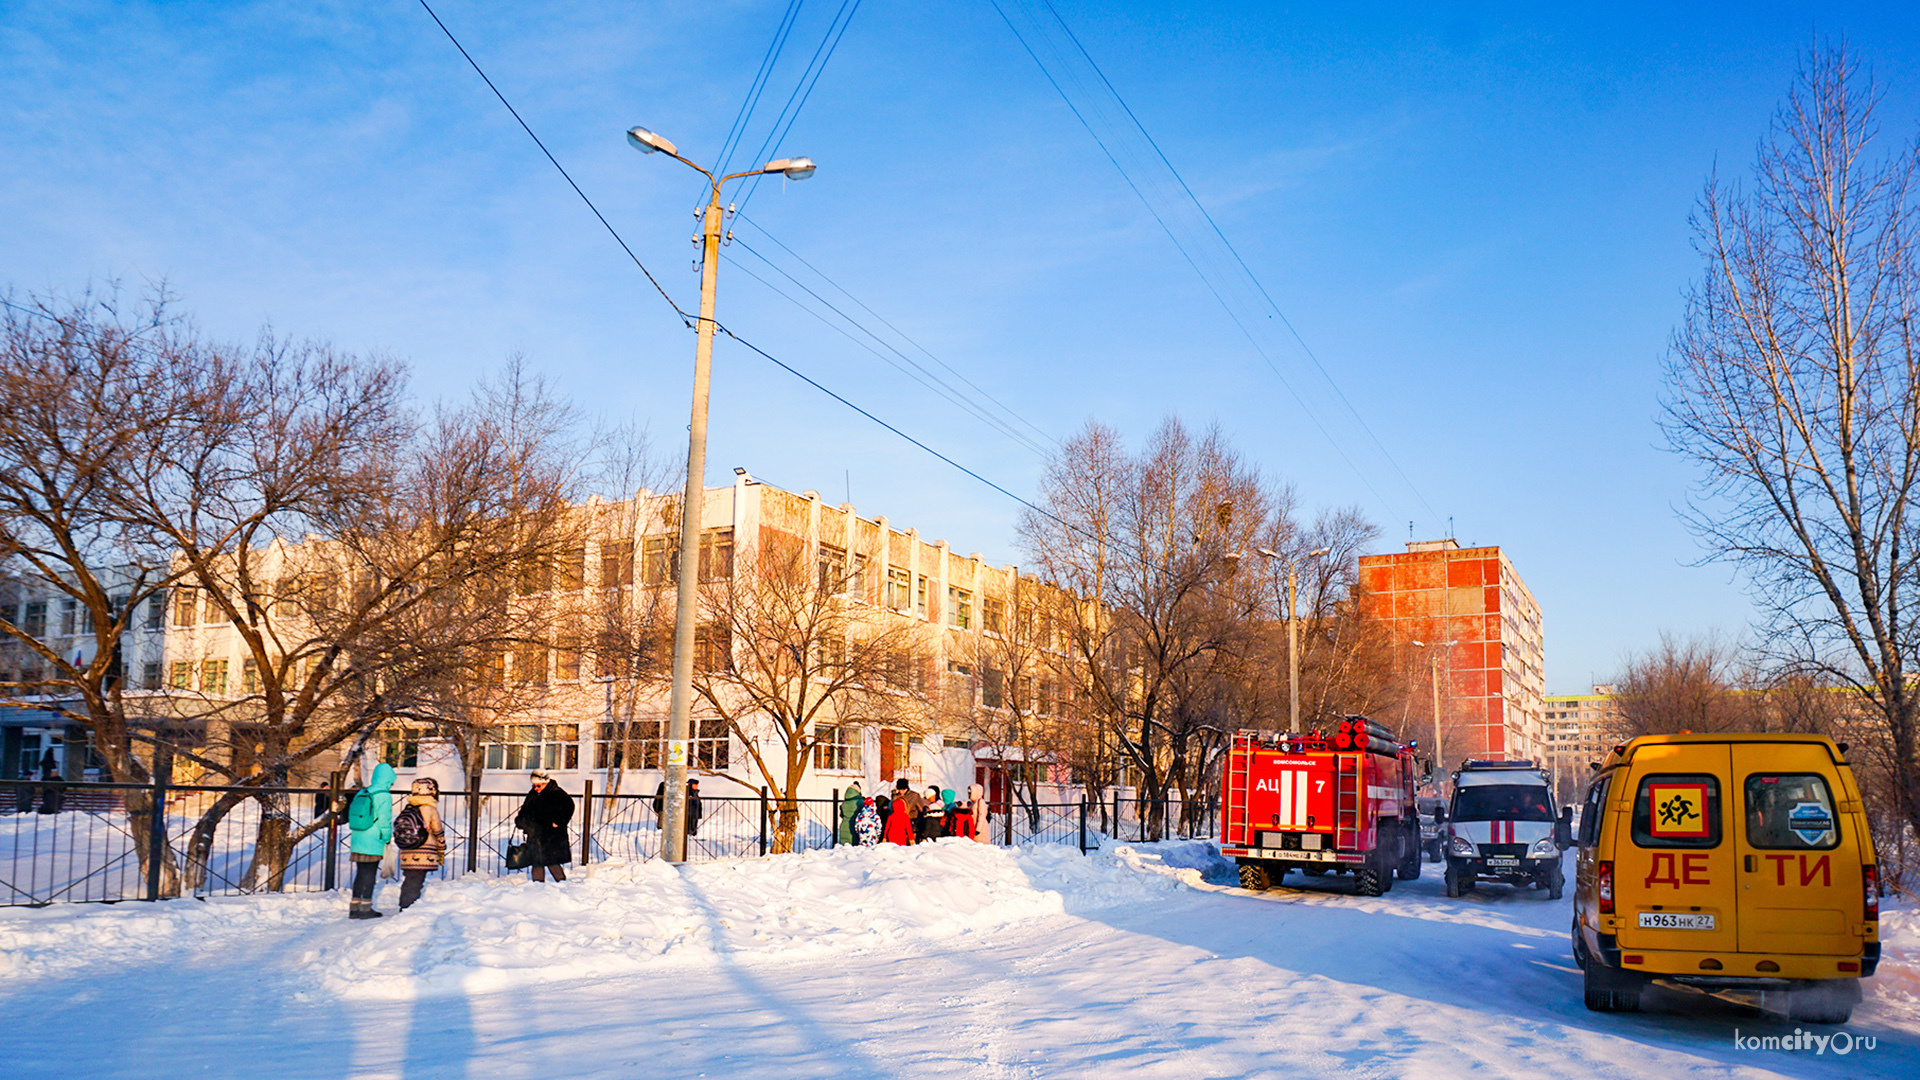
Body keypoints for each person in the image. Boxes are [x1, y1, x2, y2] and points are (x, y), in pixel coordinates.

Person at [346, 761, 396, 919]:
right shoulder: (384, 795)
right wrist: (387, 837)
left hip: (358, 837)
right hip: (373, 838)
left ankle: (354, 908)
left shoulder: (363, 792)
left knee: (360, 872)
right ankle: (366, 908)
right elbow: (384, 820)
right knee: (369, 873)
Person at [395, 777, 447, 910]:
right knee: (416, 881)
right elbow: (438, 831)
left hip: (407, 850)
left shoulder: (409, 807)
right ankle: (408, 908)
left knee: (409, 879)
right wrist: (441, 849)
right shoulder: (430, 809)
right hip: (423, 852)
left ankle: (404, 904)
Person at [515, 770, 574, 882]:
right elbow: (525, 809)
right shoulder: (533, 794)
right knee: (537, 863)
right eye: (534, 785)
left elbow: (568, 807)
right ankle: (538, 888)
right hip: (535, 834)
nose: (536, 788)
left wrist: (558, 822)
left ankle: (563, 885)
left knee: (552, 862)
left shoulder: (557, 793)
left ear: (546, 782)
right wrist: (521, 821)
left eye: (538, 785)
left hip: (551, 836)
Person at [883, 781, 915, 846]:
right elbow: (909, 829)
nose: (901, 792)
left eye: (903, 790)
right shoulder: (895, 797)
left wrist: (884, 838)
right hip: (901, 834)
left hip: (911, 821)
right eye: (900, 789)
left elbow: (886, 828)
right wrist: (912, 839)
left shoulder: (913, 796)